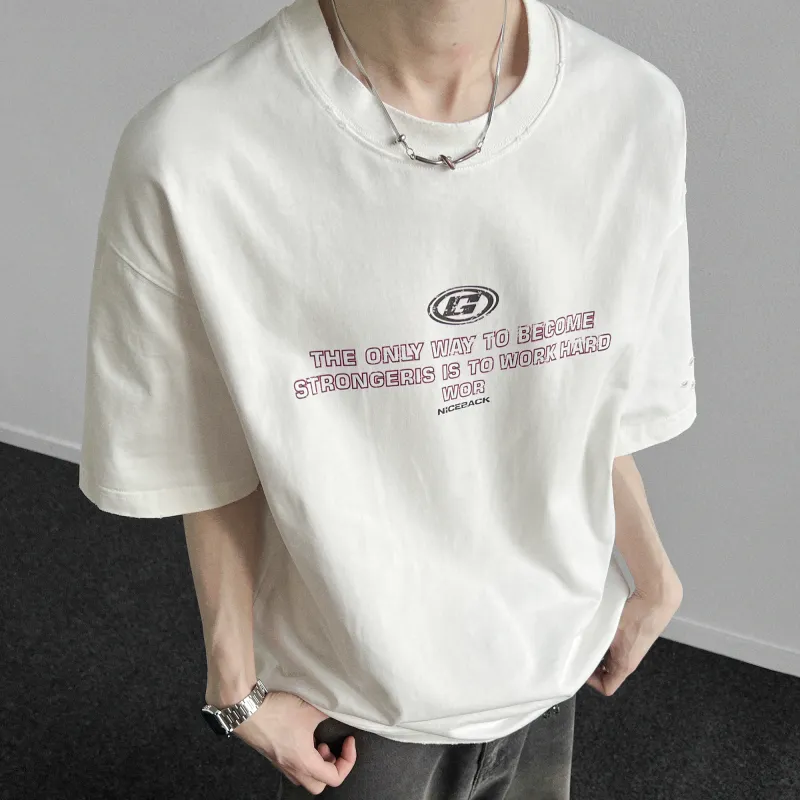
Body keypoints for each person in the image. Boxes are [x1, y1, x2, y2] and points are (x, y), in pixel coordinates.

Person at [78, 0, 696, 795]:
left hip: (558, 648)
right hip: (358, 691)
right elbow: (206, 443)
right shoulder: (196, 152)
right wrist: (235, 686)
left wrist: (652, 569)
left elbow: (579, 384)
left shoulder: (632, 111)